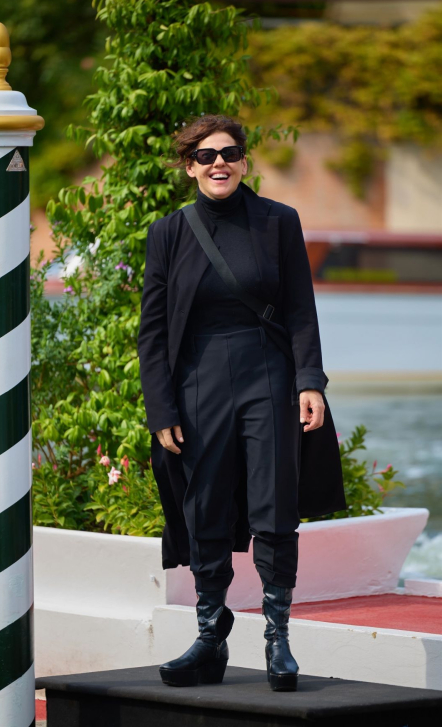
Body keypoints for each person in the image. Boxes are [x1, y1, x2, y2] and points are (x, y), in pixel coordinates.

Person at [137, 114, 346, 691]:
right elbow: (151, 334)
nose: (218, 163)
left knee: (274, 505)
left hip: (269, 376)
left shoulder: (278, 221)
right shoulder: (169, 233)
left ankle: (278, 638)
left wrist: (310, 382)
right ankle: (210, 637)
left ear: (245, 161)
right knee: (203, 507)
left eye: (228, 153)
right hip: (197, 384)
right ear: (190, 167)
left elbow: (301, 308)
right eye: (205, 156)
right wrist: (162, 411)